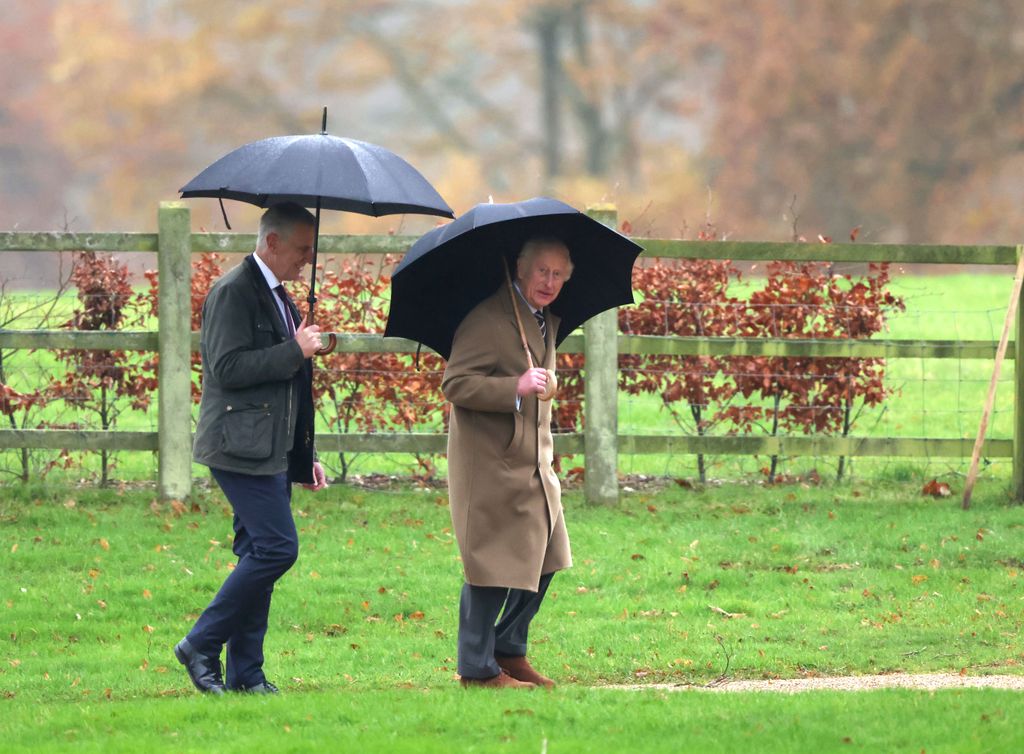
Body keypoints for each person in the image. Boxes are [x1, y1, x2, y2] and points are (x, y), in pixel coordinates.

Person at [174, 201, 328, 695]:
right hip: (237, 448)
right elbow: (227, 369)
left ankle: (246, 675)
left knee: (257, 551)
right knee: (279, 548)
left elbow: (288, 386)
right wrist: (294, 350)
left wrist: (305, 455)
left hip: (272, 450)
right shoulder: (233, 292)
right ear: (273, 242)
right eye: (302, 248)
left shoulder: (281, 296)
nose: (308, 258)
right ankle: (200, 644)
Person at [442, 237, 574, 689]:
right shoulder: (486, 319)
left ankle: (508, 649)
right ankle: (476, 670)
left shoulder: (541, 320)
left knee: (549, 557)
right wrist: (513, 387)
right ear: (520, 269)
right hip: (491, 464)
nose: (550, 282)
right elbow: (456, 384)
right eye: (542, 272)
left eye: (558, 274)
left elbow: (536, 379)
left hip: (535, 464)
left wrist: (545, 383)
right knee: (491, 563)